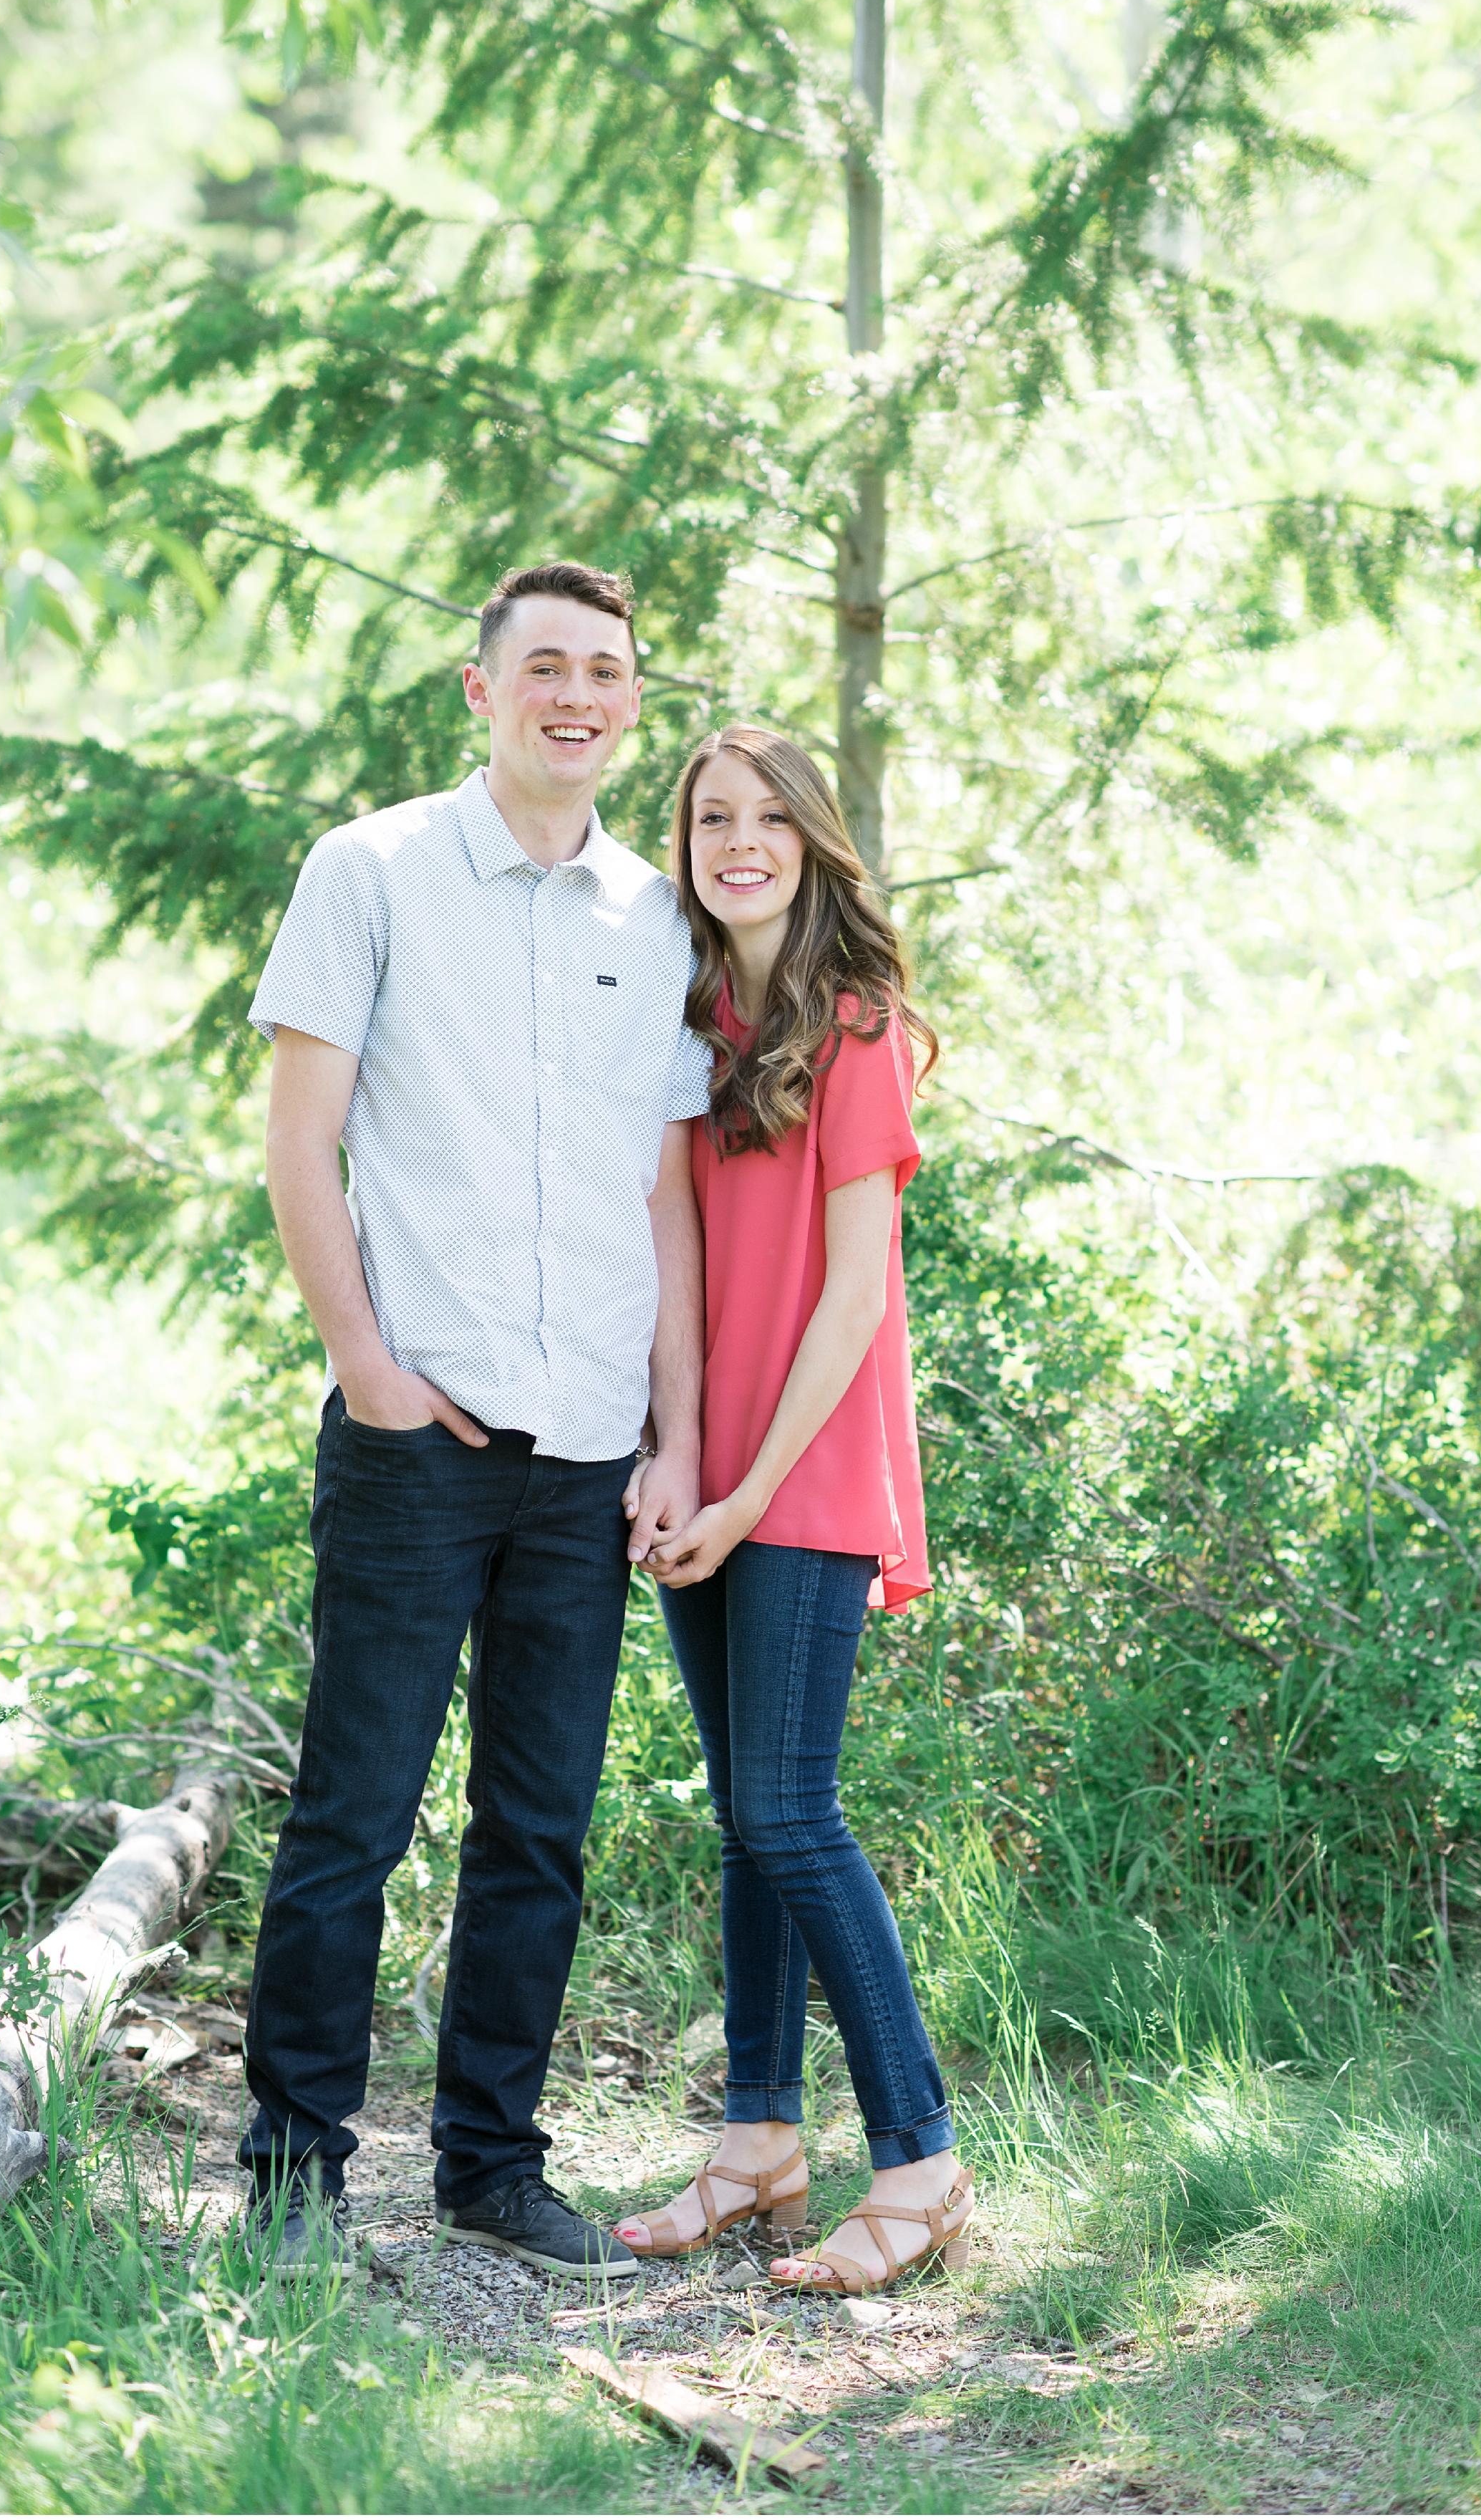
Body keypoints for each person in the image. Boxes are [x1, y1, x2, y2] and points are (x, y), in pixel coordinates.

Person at [238, 560, 710, 2283]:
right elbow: (301, 1142)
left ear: (629, 704)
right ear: (479, 689)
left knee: (539, 1825)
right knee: (352, 1815)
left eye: (605, 673)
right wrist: (364, 1361)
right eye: (545, 669)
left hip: (590, 1444)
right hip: (413, 1433)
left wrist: (672, 1435)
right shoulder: (366, 872)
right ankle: (291, 2179)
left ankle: (488, 2169)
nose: (574, 696)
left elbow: (663, 1200)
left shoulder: (654, 919)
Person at [613, 725, 974, 2295]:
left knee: (786, 1812)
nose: (735, 841)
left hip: (812, 1471)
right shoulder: (688, 1018)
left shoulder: (855, 1024)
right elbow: (677, 1257)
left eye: (766, 817)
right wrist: (675, 1454)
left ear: (812, 839)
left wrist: (753, 1483)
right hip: (714, 1471)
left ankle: (921, 2158)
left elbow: (850, 1300)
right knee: (741, 1816)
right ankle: (758, 2141)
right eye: (709, 817)